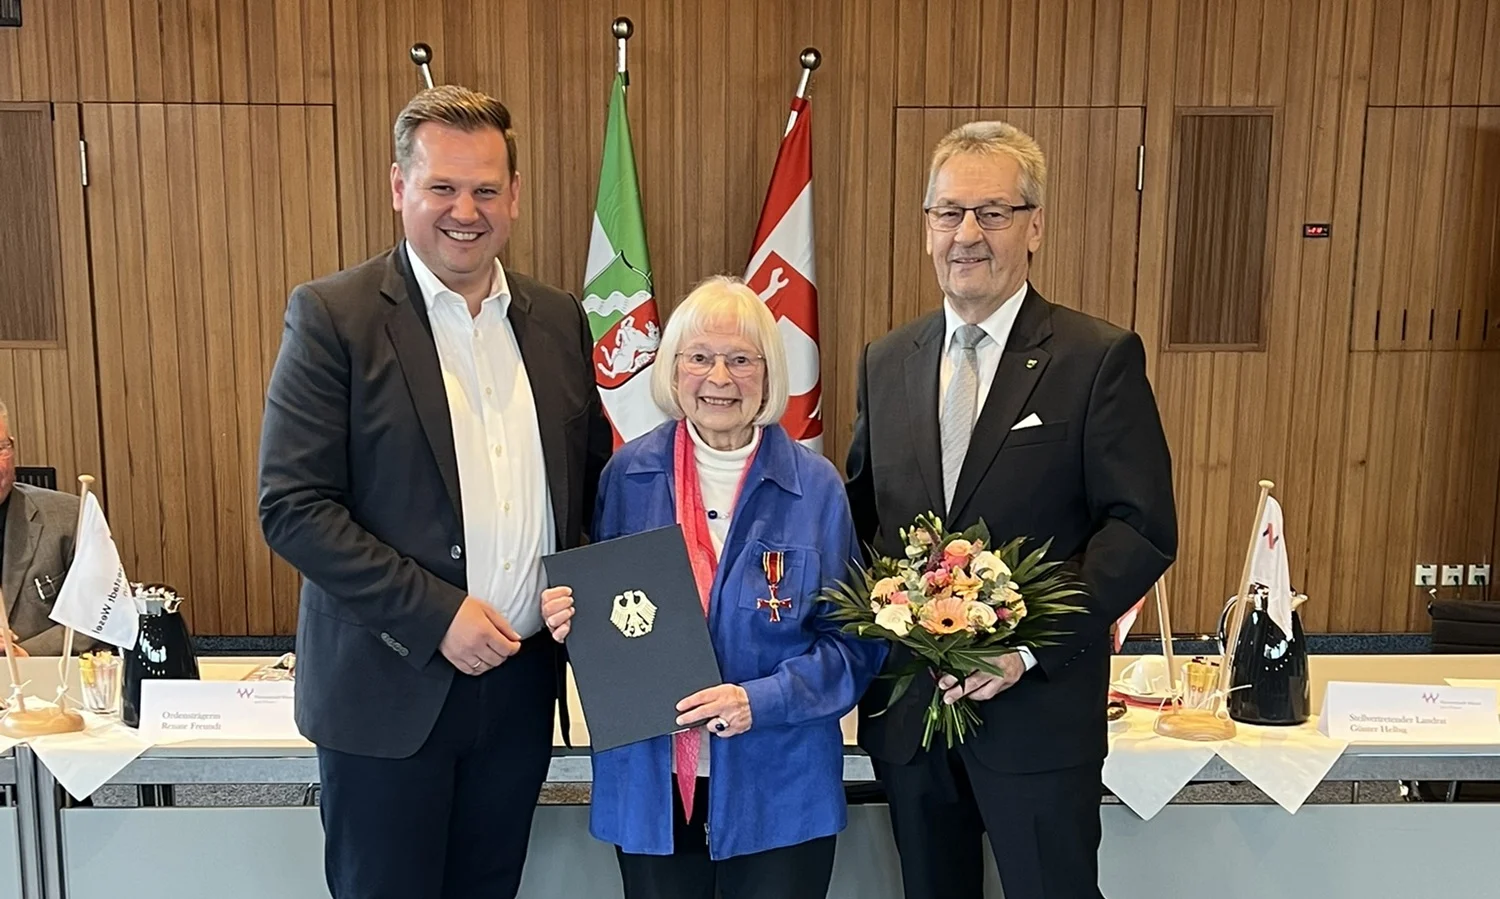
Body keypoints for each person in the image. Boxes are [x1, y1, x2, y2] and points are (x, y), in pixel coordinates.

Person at [258, 85, 611, 899]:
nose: (465, 211)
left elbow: (590, 489)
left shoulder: (558, 320)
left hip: (520, 689)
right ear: (399, 187)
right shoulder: (334, 317)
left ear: (514, 195)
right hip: (389, 691)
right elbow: (293, 505)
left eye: (485, 189)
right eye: (442, 187)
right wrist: (436, 614)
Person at [845, 121, 1177, 898]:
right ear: (927, 227)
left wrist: (1025, 647)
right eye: (949, 212)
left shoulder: (1097, 358)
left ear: (1035, 226)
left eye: (992, 212)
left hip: (1039, 716)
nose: (967, 234)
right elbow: (862, 524)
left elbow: (1141, 526)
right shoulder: (885, 361)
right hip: (914, 717)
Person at [540, 276, 886, 899]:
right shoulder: (627, 476)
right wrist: (571, 618)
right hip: (652, 785)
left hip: (778, 786)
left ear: (769, 374)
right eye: (699, 357)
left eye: (741, 360)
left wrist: (761, 700)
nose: (719, 378)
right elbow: (612, 616)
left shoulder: (817, 488)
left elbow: (855, 646)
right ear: (673, 371)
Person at [0, 399, 84, 657]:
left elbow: (103, 611)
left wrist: (25, 653)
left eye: (0, 448)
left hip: (42, 675)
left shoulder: (70, 516)